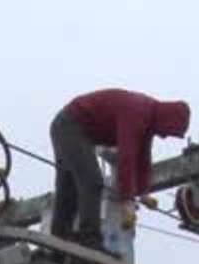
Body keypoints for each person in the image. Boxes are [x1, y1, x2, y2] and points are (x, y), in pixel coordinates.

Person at [48, 89, 190, 255]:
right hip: (71, 126)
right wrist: (127, 201)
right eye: (169, 131)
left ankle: (59, 242)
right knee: (91, 182)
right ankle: (89, 240)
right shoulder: (137, 112)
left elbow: (143, 159)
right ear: (166, 119)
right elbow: (126, 158)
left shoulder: (148, 120)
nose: (165, 136)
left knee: (68, 187)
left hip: (71, 128)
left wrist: (143, 192)